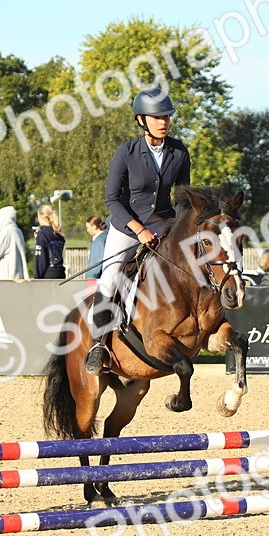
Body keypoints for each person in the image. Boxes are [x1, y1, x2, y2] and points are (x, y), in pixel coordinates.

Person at [85, 86, 191, 373]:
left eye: (166, 116)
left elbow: (182, 198)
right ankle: (98, 346)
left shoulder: (179, 151)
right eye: (157, 117)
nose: (163, 122)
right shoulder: (127, 152)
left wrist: (182, 228)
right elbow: (111, 199)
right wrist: (138, 230)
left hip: (164, 221)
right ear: (141, 120)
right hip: (127, 224)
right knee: (109, 279)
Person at [34, 204, 66, 279]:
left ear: (42, 217)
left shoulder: (42, 234)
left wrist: (37, 277)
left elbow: (41, 259)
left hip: (48, 274)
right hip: (60, 272)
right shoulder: (59, 233)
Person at [85, 214, 108, 278]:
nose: (87, 230)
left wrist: (90, 276)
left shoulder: (99, 241)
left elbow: (96, 263)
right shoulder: (105, 237)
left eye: (88, 227)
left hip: (94, 279)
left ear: (94, 226)